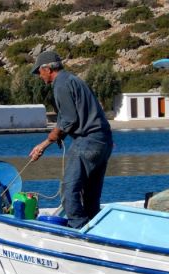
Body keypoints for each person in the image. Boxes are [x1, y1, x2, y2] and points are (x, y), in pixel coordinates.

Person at [29, 51, 113, 229]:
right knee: (91, 194)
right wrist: (61, 134)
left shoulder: (60, 85)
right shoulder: (73, 80)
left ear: (47, 69)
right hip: (104, 141)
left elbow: (68, 119)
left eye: (39, 72)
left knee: (69, 191)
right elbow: (73, 116)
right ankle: (94, 228)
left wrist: (44, 144)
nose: (39, 76)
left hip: (88, 140)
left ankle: (78, 228)